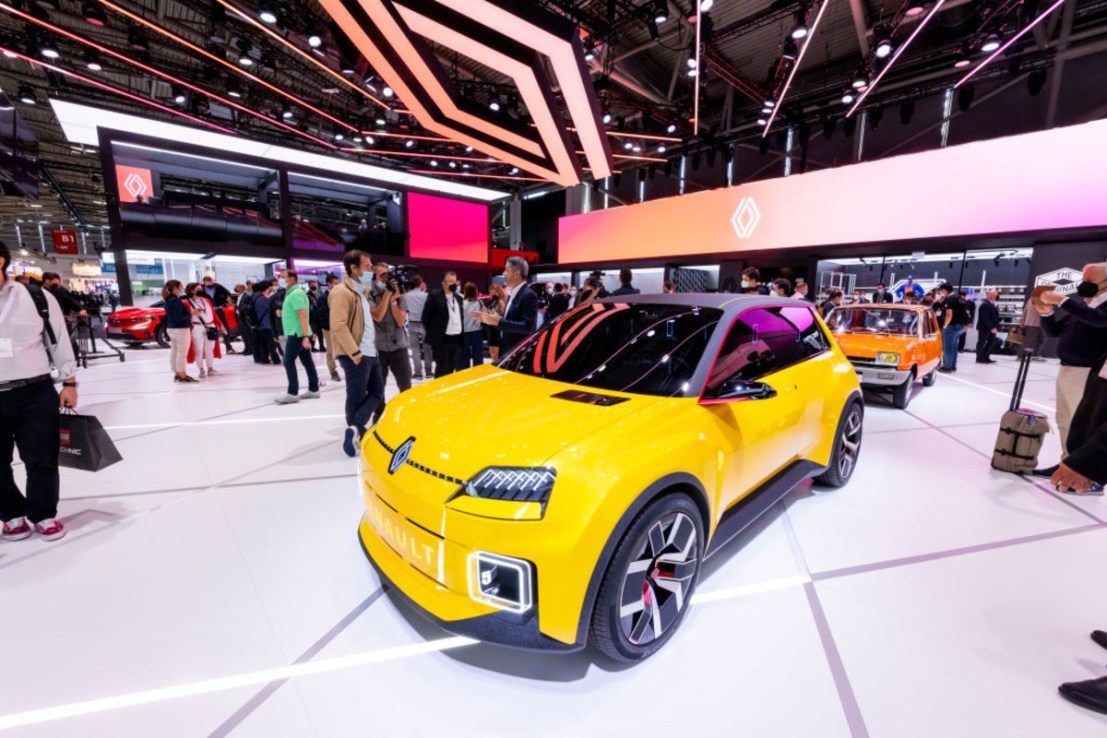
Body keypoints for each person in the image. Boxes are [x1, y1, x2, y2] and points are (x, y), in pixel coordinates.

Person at [0, 240, 77, 543]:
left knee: (42, 457)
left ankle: (43, 514)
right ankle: (11, 515)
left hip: (34, 391)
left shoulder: (36, 297)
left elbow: (58, 341)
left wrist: (69, 382)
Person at [1034, 270, 1107, 464]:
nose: (1083, 283)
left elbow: (1099, 321)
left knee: (1083, 424)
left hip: (1087, 372)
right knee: (1065, 420)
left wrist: (1063, 300)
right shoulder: (1085, 306)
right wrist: (1046, 313)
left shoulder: (1099, 309)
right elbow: (1054, 332)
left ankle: (1083, 469)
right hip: (1066, 368)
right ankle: (1068, 463)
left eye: (1089, 280)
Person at [329, 250, 385, 457]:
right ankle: (355, 435)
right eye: (368, 267)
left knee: (377, 392)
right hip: (355, 353)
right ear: (354, 268)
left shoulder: (362, 291)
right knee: (356, 396)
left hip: (371, 352)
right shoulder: (341, 292)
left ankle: (355, 428)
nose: (371, 270)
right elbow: (338, 325)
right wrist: (355, 352)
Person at [368, 263, 411, 421]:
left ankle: (406, 415)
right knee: (378, 386)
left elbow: (400, 321)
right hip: (378, 347)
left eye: (388, 274)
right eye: (382, 275)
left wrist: (393, 300)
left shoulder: (400, 294)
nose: (386, 278)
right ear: (375, 278)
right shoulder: (370, 294)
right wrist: (387, 295)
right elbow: (377, 316)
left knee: (405, 386)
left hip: (399, 346)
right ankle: (379, 413)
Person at [274, 269, 320, 404]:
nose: (280, 280)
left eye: (283, 277)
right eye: (279, 277)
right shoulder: (292, 293)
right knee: (307, 361)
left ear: (293, 278)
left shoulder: (296, 294)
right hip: (297, 332)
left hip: (298, 333)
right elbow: (296, 313)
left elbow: (303, 315)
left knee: (288, 361)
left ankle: (292, 393)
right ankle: (314, 389)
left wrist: (305, 336)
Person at [477, 256, 538, 356]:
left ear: (516, 274)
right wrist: (489, 319)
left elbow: (528, 327)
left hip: (519, 352)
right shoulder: (511, 294)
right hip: (507, 348)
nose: (503, 273)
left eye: (506, 270)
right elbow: (510, 320)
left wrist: (499, 322)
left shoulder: (528, 295)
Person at [422, 271, 464, 378]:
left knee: (451, 367)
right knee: (442, 367)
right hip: (441, 339)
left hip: (456, 339)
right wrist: (435, 333)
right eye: (450, 281)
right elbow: (425, 317)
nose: (453, 284)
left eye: (454, 281)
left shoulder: (459, 298)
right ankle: (438, 390)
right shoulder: (435, 296)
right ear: (443, 283)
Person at [186, 282, 222, 378]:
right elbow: (183, 316)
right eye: (198, 289)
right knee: (198, 349)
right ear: (191, 290)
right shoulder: (186, 302)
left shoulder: (206, 300)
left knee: (210, 349)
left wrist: (220, 324)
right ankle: (201, 369)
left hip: (210, 326)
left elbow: (213, 313)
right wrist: (191, 313)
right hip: (197, 327)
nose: (201, 290)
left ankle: (210, 369)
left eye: (201, 288)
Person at [163, 280, 195, 383]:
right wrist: (191, 313)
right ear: (175, 288)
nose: (183, 287)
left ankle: (177, 373)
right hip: (180, 329)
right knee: (181, 352)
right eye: (181, 285)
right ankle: (182, 374)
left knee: (175, 351)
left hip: (172, 328)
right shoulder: (175, 301)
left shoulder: (169, 300)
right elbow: (179, 317)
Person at [405, 275, 433, 380]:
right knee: (427, 349)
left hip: (412, 322)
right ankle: (429, 372)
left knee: (415, 349)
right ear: (420, 283)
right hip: (424, 323)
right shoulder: (426, 295)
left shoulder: (407, 295)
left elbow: (406, 309)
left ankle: (418, 373)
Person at [937, 282, 970, 372]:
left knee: (947, 348)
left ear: (944, 290)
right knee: (954, 347)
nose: (941, 293)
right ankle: (953, 365)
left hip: (951, 326)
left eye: (941, 290)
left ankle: (947, 367)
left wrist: (944, 326)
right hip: (959, 326)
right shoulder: (958, 297)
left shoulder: (950, 299)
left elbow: (949, 314)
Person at [202, 276, 236, 354]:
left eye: (211, 281)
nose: (211, 283)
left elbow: (227, 293)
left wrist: (227, 299)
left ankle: (228, 347)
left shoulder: (218, 286)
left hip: (218, 310)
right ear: (204, 282)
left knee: (224, 327)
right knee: (206, 329)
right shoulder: (201, 288)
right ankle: (207, 350)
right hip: (207, 311)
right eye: (208, 282)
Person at [317, 274, 341, 382]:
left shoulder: (342, 296)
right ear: (329, 284)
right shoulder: (323, 298)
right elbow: (322, 315)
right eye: (335, 284)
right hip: (329, 329)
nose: (338, 286)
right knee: (331, 351)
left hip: (342, 328)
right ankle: (333, 371)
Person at [251, 282, 280, 365]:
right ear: (266, 289)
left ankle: (264, 358)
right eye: (269, 289)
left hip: (260, 324)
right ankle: (276, 359)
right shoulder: (263, 299)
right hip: (266, 324)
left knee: (263, 343)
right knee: (271, 343)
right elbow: (271, 309)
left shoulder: (255, 297)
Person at [457, 283, 484, 370]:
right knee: (478, 358)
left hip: (464, 333)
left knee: (463, 359)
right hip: (477, 332)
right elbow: (485, 315)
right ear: (476, 291)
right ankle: (478, 376)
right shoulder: (480, 302)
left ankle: (464, 377)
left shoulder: (461, 303)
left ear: (465, 291)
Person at [975, 290, 1000, 364]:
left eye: (996, 295)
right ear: (989, 295)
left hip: (991, 328)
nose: (996, 296)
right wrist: (992, 327)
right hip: (985, 328)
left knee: (991, 342)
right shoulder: (985, 304)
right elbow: (985, 318)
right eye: (995, 295)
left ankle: (986, 357)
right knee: (982, 342)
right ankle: (980, 358)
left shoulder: (991, 304)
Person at [484, 283, 506, 363]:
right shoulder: (492, 302)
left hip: (497, 329)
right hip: (490, 328)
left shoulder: (501, 302)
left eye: (494, 293)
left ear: (498, 292)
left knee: (496, 353)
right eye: (491, 293)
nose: (492, 295)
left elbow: (504, 315)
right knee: (491, 352)